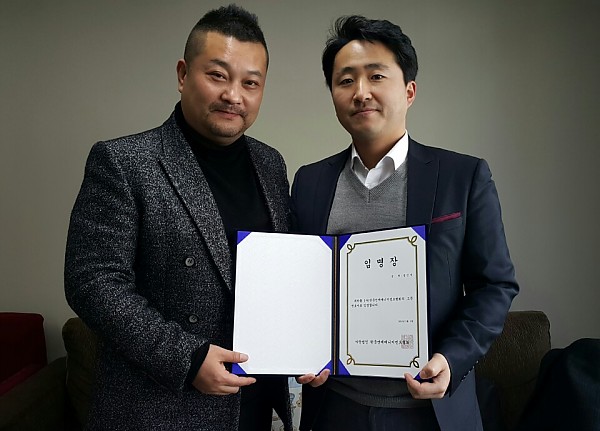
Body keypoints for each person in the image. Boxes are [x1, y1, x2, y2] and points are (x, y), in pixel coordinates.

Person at [64, 5, 292, 431]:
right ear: (184, 74)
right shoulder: (124, 161)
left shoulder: (270, 164)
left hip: (253, 405)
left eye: (250, 82)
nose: (234, 95)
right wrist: (187, 358)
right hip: (160, 408)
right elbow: (92, 282)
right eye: (218, 75)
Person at [292, 15, 519, 431]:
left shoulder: (463, 176)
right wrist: (301, 349)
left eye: (376, 76)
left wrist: (452, 358)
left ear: (409, 91)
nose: (361, 92)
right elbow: (301, 287)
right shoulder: (309, 182)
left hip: (430, 413)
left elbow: (495, 285)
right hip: (335, 409)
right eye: (346, 81)